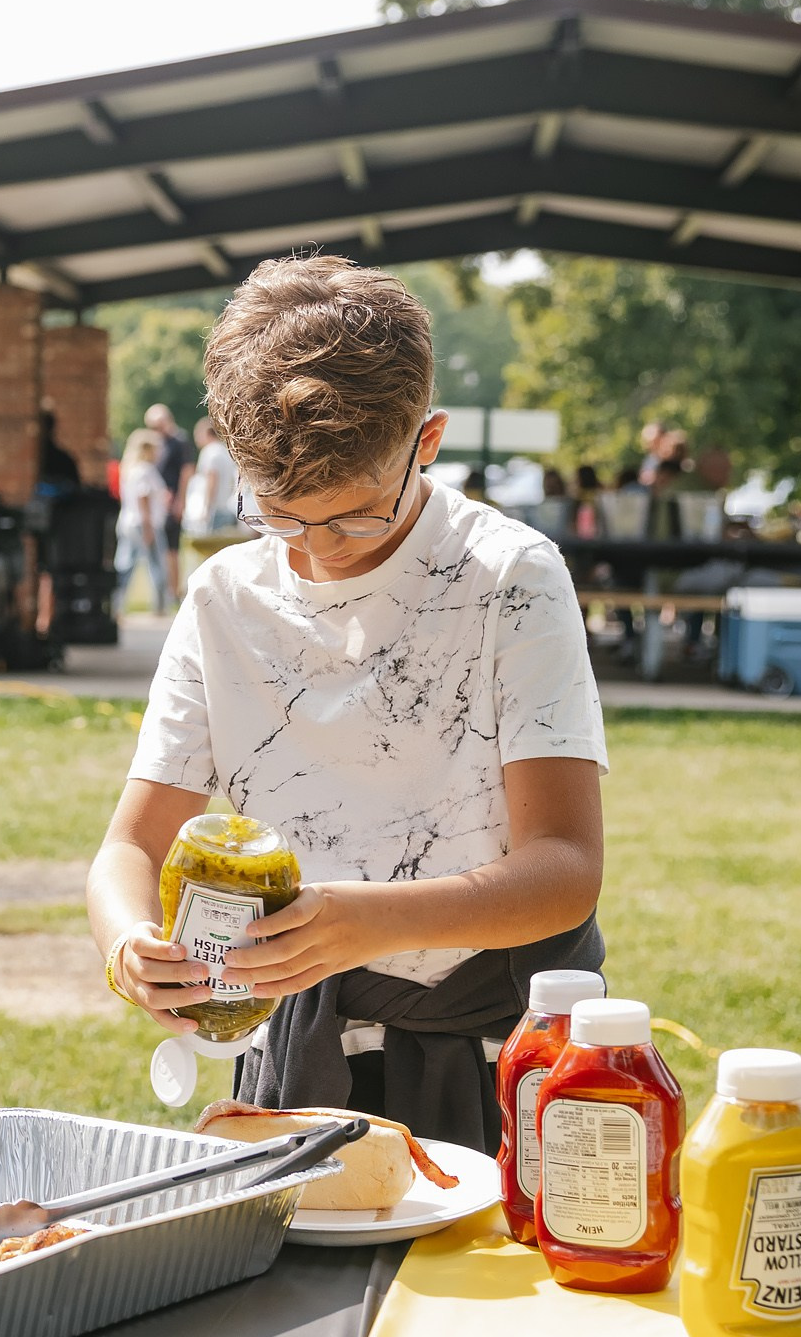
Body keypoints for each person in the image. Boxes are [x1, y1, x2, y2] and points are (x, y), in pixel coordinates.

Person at [90, 253, 607, 1151]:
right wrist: (130, 945)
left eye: (359, 516)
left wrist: (368, 921)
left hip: (495, 1047)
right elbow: (130, 846)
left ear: (427, 440)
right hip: (304, 1043)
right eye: (280, 515)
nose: (320, 549)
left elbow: (565, 867)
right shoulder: (224, 597)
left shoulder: (508, 577)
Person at [114, 429, 171, 614]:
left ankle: (117, 604)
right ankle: (160, 606)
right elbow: (143, 498)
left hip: (128, 522)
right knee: (156, 564)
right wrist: (148, 527)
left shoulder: (130, 469)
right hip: (145, 523)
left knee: (125, 564)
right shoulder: (145, 470)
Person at [146, 403, 195, 599]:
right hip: (159, 503)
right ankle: (165, 592)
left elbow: (187, 471)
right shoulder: (158, 443)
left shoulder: (179, 441)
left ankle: (174, 592)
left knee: (171, 549)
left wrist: (180, 501)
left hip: (173, 501)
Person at [181, 417, 236, 538]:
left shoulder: (210, 452)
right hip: (225, 506)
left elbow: (212, 479)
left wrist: (207, 508)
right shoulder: (225, 451)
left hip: (214, 509)